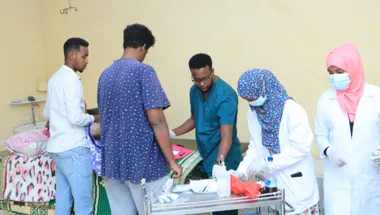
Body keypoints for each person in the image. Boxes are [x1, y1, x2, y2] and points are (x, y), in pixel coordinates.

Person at [97, 23, 182, 215]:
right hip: (143, 163)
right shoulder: (143, 71)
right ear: (143, 46)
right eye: (147, 50)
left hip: (113, 163)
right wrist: (172, 161)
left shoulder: (105, 75)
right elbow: (157, 120)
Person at [231, 69, 319, 215]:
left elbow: (301, 147)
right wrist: (242, 170)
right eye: (247, 100)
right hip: (275, 187)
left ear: (265, 89)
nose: (251, 102)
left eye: (252, 98)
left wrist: (268, 162)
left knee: (297, 207)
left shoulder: (292, 110)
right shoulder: (254, 112)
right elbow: (255, 146)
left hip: (298, 183)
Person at [169, 53, 242, 215]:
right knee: (213, 207)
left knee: (224, 210)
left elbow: (226, 136)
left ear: (212, 71)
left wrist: (219, 164)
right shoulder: (194, 91)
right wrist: (171, 133)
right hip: (206, 156)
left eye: (205, 79)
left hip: (225, 159)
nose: (201, 84)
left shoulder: (225, 95)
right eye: (196, 80)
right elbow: (195, 119)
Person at [315, 43, 380, 214]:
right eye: (331, 73)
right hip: (338, 179)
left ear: (354, 68)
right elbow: (320, 134)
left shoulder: (376, 97)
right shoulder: (326, 99)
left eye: (339, 72)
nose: (335, 77)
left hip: (369, 177)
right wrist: (330, 151)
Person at [44, 37, 99, 215]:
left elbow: (48, 115)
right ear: (71, 55)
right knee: (84, 206)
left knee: (63, 204)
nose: (86, 61)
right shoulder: (71, 79)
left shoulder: (54, 79)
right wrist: (95, 117)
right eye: (84, 56)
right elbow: (76, 118)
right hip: (74, 148)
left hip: (57, 149)